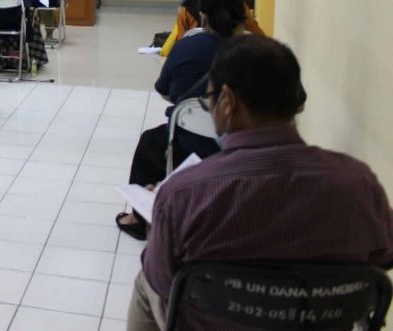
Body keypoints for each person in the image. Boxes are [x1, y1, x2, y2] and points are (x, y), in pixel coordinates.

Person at [128, 36, 393, 331]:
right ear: (297, 103)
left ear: (227, 102)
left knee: (145, 282)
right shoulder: (359, 184)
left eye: (209, 98)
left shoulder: (183, 194)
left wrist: (157, 225)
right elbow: (382, 259)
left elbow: (163, 280)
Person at [116, 0, 247, 241]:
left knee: (149, 142)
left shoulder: (187, 46)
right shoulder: (253, 53)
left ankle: (139, 218)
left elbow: (164, 91)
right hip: (239, 148)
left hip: (186, 145)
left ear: (203, 16)